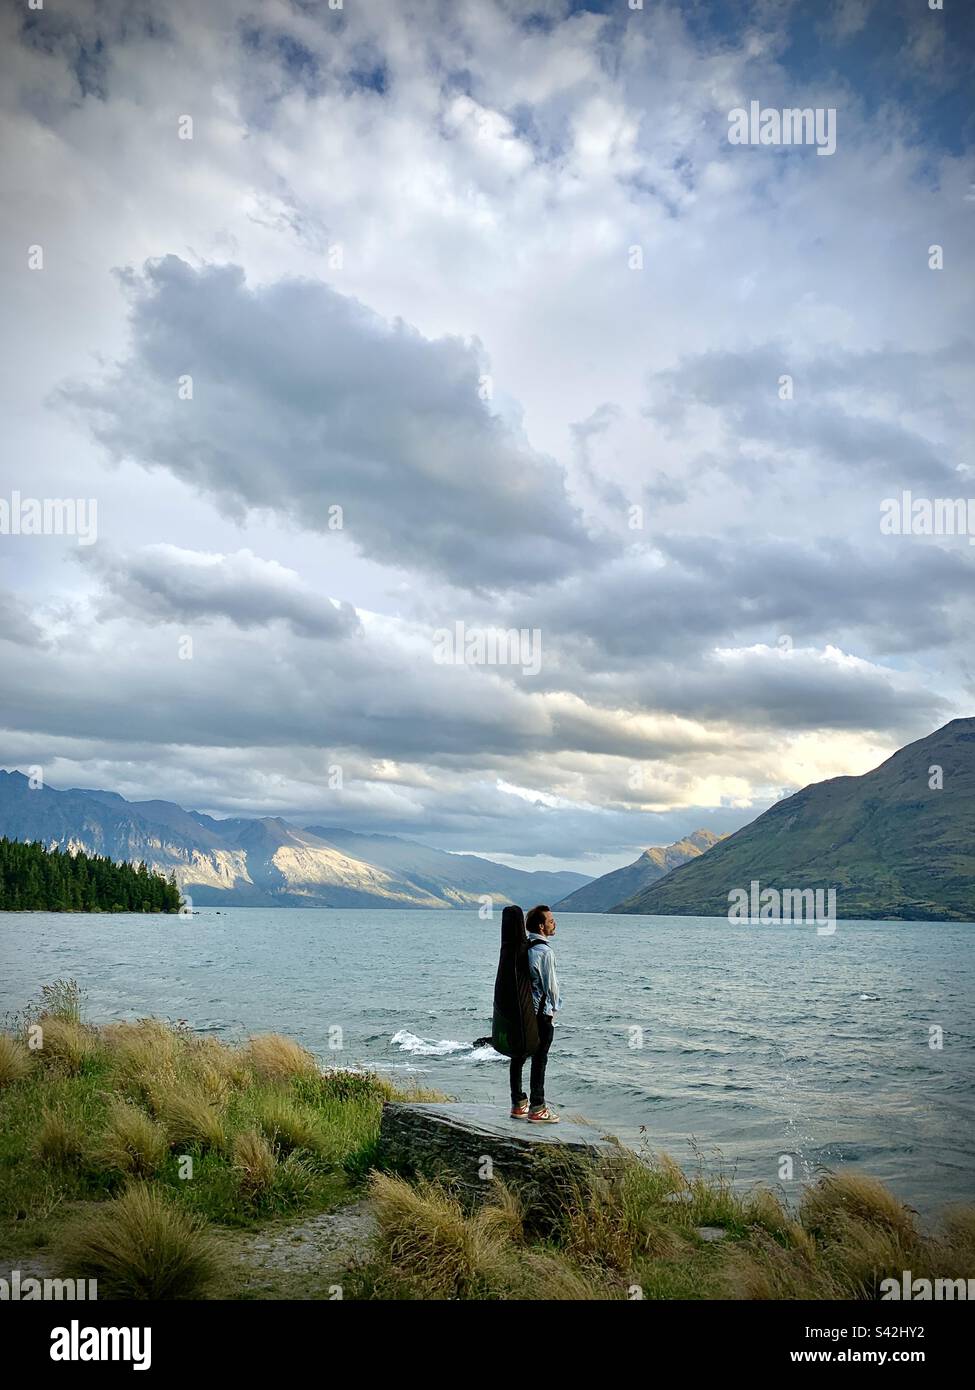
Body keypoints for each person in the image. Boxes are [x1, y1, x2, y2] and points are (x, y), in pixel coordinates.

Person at [509, 904, 561, 1122]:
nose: (554, 923)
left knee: (519, 1056)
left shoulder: (523, 947)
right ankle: (538, 1108)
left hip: (521, 1012)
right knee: (540, 1059)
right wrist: (554, 1009)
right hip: (540, 1014)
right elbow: (551, 987)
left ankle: (518, 1103)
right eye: (550, 921)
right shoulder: (544, 951)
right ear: (541, 926)